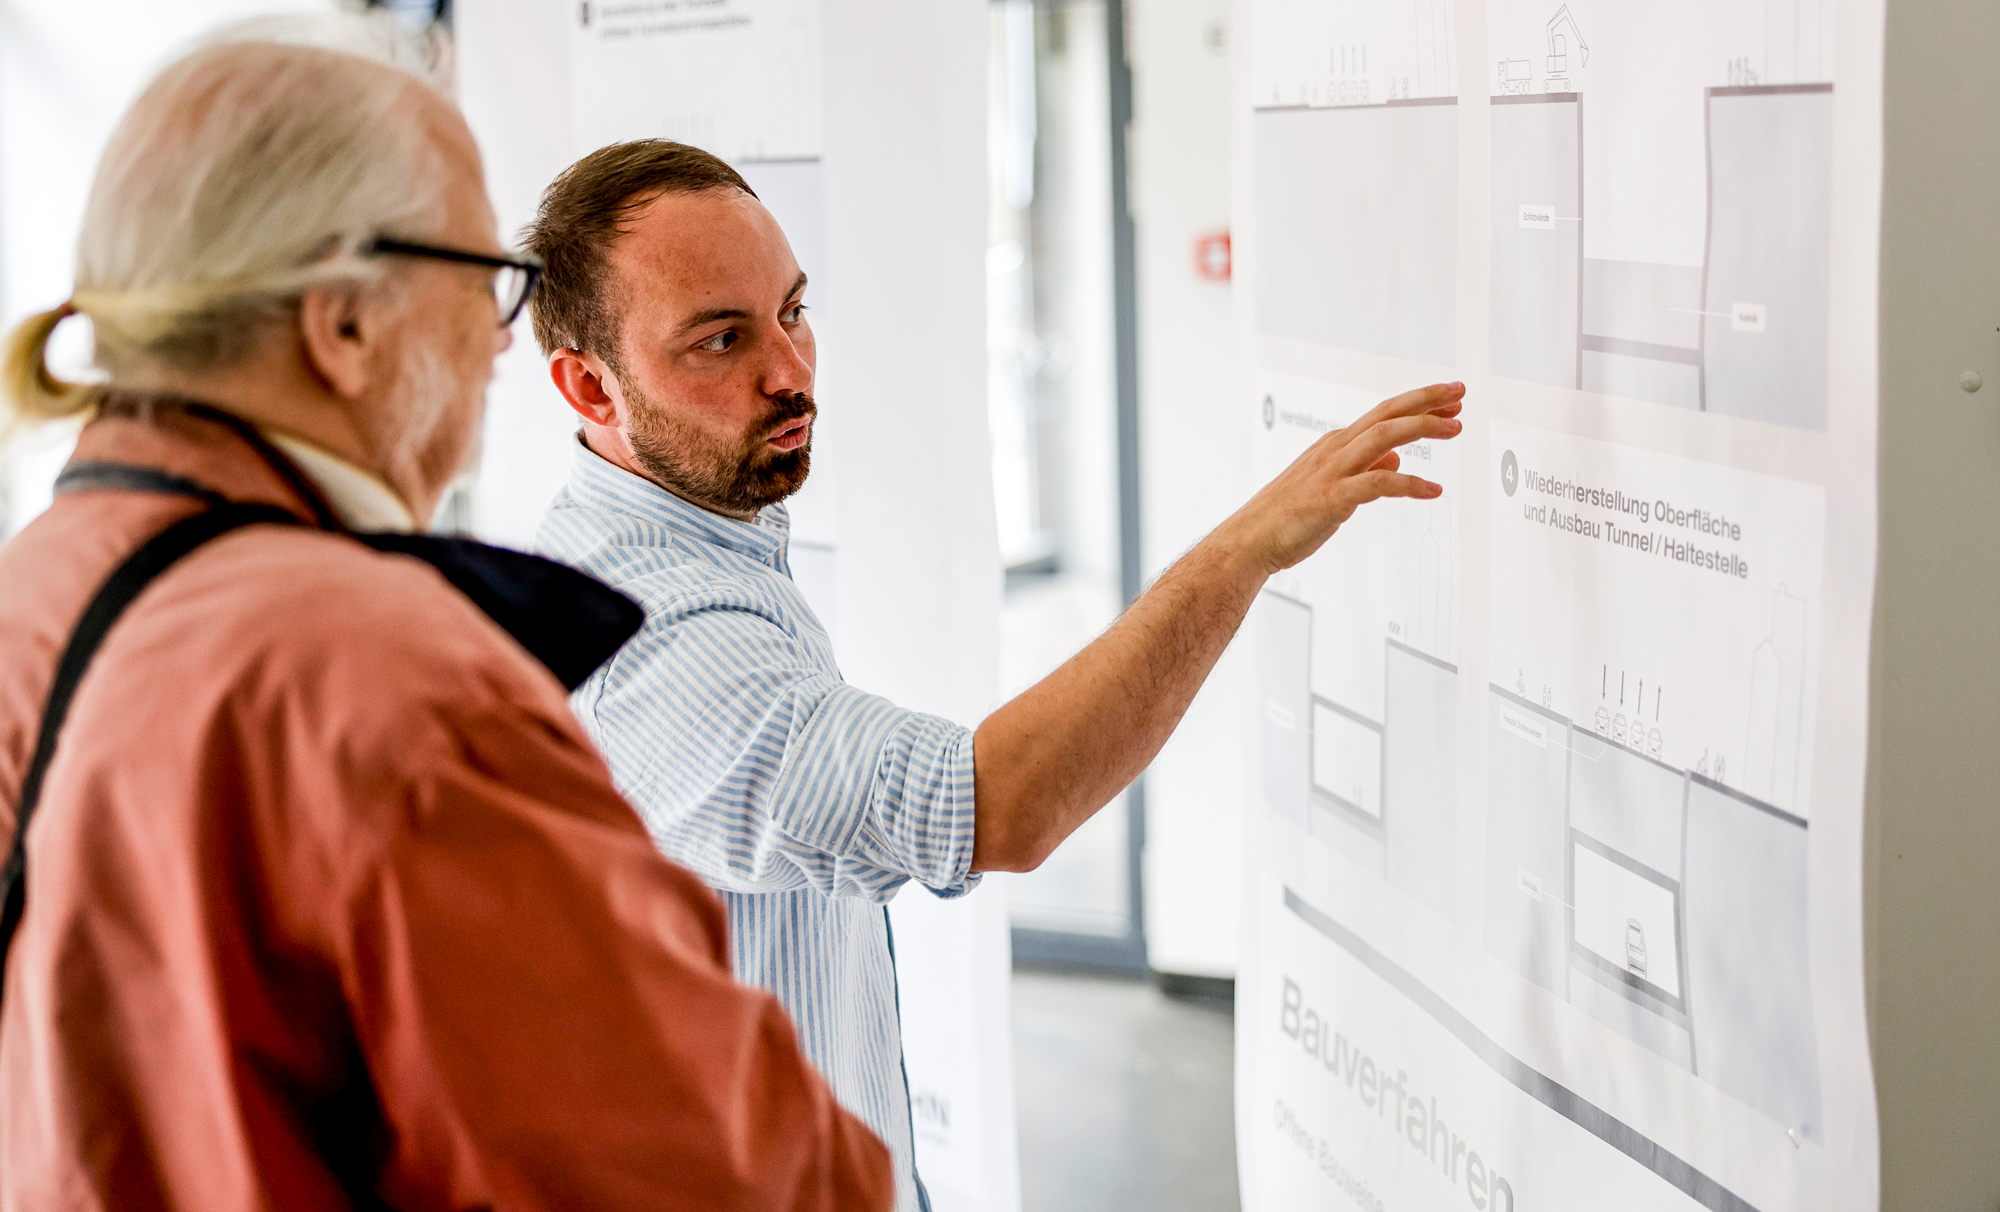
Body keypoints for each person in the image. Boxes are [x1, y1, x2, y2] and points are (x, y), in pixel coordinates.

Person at [0, 27, 892, 1212]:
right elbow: (749, 1174)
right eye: (486, 288)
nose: (493, 347)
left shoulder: (38, 589)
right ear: (343, 322)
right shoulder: (393, 684)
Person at [523, 138, 1465, 1208]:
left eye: (792, 311)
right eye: (718, 340)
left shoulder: (701, 539)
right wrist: (1242, 551)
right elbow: (990, 806)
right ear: (587, 387)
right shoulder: (645, 631)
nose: (787, 371)